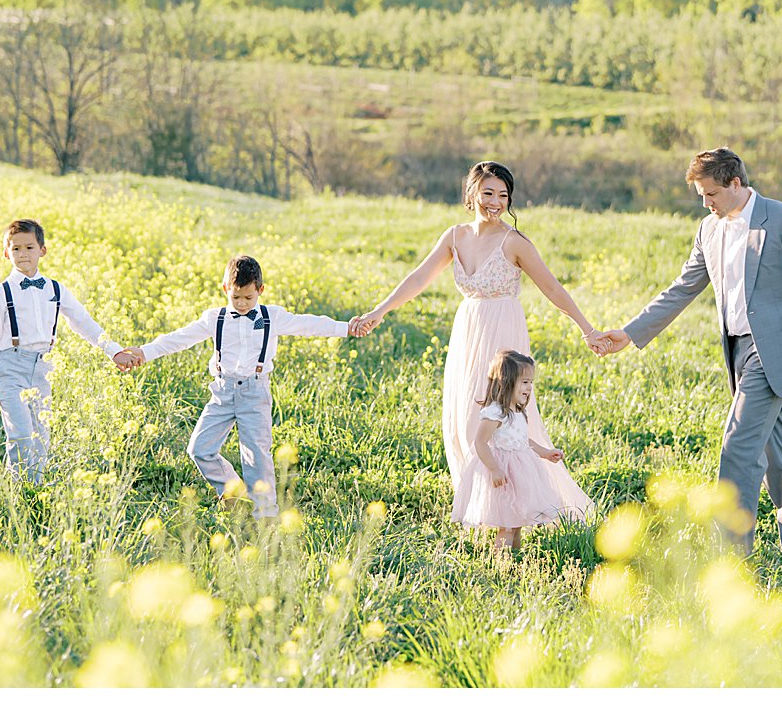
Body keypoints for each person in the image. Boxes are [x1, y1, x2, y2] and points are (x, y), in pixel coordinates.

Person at [589, 148, 782, 556]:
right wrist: (630, 333)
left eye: (711, 193)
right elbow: (682, 288)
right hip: (737, 352)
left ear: (735, 183)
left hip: (774, 354)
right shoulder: (708, 230)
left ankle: (729, 559)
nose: (705, 203)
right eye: (700, 195)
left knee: (738, 448)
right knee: (776, 454)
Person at [354, 161, 593, 519]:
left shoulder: (514, 242)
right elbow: (419, 277)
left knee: (505, 417)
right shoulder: (455, 237)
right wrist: (379, 311)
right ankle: (480, 502)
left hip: (504, 334)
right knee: (466, 416)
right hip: (468, 332)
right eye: (488, 193)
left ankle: (520, 508)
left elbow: (552, 288)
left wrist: (587, 328)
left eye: (503, 195)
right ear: (472, 194)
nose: (495, 202)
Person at [115, 254, 369, 520]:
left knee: (257, 458)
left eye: (248, 298)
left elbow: (309, 324)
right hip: (222, 392)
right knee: (199, 449)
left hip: (254, 391)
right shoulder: (216, 318)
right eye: (236, 298)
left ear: (260, 290)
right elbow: (180, 338)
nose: (242, 304)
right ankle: (232, 492)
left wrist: (346, 329)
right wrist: (145, 351)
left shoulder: (273, 316)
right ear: (225, 289)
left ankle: (265, 516)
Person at [0, 218, 127, 483]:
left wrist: (113, 351)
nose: (23, 254)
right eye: (16, 249)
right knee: (21, 433)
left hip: (44, 368)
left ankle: (36, 491)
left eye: (29, 248)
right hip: (10, 367)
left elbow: (84, 322)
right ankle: (23, 492)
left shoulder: (55, 289)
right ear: (6, 253)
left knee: (40, 434)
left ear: (42, 250)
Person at [452, 349, 584, 551]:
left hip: (521, 473)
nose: (529, 387)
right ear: (506, 382)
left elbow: (523, 441)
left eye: (531, 382)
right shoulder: (496, 412)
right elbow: (480, 442)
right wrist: (494, 469)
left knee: (517, 523)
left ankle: (515, 557)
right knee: (507, 525)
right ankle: (501, 564)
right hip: (504, 474)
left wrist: (545, 452)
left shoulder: (518, 412)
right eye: (524, 382)